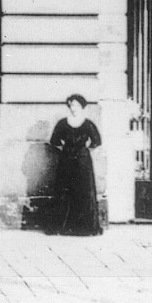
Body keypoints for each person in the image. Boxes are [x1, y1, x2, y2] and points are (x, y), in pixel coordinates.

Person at [45, 93, 104, 236]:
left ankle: (83, 228)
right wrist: (67, 151)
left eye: (76, 105)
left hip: (83, 163)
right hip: (66, 160)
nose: (73, 108)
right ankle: (62, 227)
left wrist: (83, 151)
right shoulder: (63, 123)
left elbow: (96, 141)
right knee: (64, 192)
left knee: (83, 192)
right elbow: (54, 141)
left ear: (82, 106)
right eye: (71, 105)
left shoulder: (88, 123)